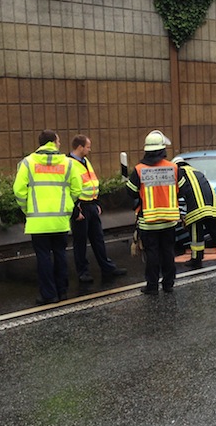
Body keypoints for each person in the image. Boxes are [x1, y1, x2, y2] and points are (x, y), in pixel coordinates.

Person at [13, 130, 82, 305]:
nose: (60, 144)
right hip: (60, 220)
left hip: (38, 221)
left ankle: (48, 294)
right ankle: (62, 291)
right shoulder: (68, 163)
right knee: (60, 254)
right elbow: (77, 189)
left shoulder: (28, 163)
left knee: (43, 257)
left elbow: (18, 191)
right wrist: (67, 207)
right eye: (58, 141)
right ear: (53, 142)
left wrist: (27, 209)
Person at [125, 130, 180, 294]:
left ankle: (152, 286)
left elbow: (130, 192)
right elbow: (182, 189)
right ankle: (169, 284)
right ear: (163, 149)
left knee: (152, 254)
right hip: (169, 220)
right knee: (168, 252)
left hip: (148, 221)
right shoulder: (173, 168)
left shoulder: (139, 169)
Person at [68, 134, 127, 284]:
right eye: (88, 146)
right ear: (80, 147)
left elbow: (92, 183)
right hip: (80, 206)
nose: (90, 149)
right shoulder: (68, 163)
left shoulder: (85, 161)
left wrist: (97, 203)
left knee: (98, 239)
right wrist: (75, 210)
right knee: (80, 242)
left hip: (91, 205)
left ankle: (107, 267)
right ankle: (83, 272)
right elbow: (67, 189)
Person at [173, 156, 216, 269]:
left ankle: (196, 260)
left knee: (196, 235)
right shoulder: (196, 171)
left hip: (196, 209)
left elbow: (179, 191)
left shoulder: (180, 172)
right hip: (211, 207)